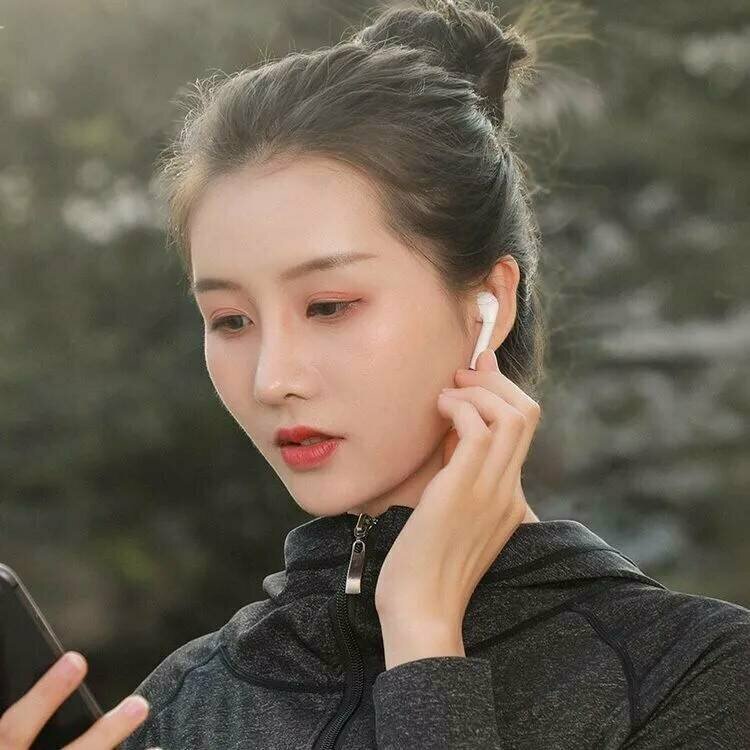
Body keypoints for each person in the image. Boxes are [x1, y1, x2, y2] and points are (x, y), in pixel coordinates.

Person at [3, 1, 747, 748]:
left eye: (328, 306)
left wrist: (423, 635)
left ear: (487, 304)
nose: (271, 379)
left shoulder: (697, 675)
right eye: (230, 320)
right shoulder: (181, 706)